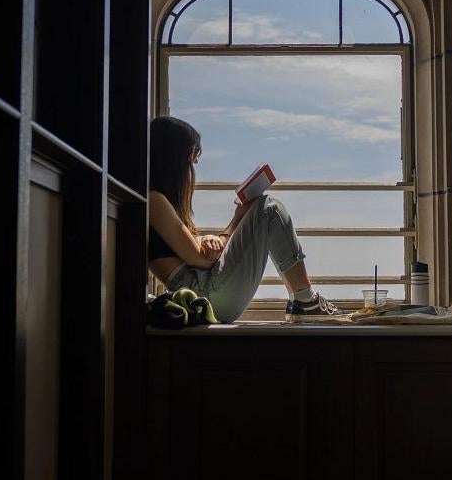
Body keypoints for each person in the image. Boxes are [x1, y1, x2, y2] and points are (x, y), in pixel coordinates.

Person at [147, 115, 346, 324]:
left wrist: (203, 239)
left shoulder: (158, 202)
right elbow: (202, 259)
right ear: (175, 161)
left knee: (267, 208)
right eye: (192, 163)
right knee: (269, 208)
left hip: (205, 290)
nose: (192, 173)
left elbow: (188, 252)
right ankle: (306, 301)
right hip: (206, 296)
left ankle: (304, 301)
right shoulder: (155, 201)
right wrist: (235, 222)